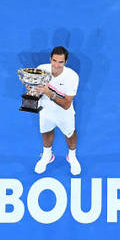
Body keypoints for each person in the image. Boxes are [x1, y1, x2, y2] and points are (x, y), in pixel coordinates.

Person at [31, 46, 81, 176]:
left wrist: (49, 93)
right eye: (54, 60)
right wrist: (33, 90)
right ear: (50, 59)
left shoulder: (72, 77)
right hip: (45, 110)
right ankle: (47, 155)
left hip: (64, 113)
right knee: (46, 132)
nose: (56, 65)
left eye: (61, 62)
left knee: (70, 135)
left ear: (65, 62)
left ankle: (72, 156)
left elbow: (66, 105)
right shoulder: (41, 69)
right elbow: (36, 93)